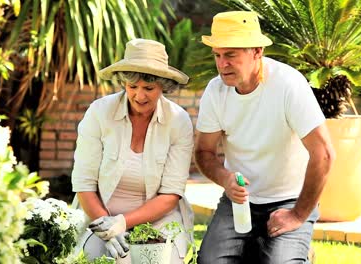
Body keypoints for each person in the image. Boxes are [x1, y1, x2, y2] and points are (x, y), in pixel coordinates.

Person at [195, 11, 335, 263]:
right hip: (238, 202)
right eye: (217, 55)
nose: (221, 64)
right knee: (209, 261)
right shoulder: (215, 91)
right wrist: (225, 179)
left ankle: (293, 250)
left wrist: (297, 215)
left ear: (257, 51)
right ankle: (256, 247)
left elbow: (323, 153)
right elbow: (204, 152)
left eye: (230, 55)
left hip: (289, 200)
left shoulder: (289, 85)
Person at [71, 38, 194, 263]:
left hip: (158, 219)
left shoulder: (178, 121)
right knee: (110, 259)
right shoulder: (99, 113)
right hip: (99, 216)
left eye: (149, 88)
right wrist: (107, 227)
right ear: (124, 84)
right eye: (132, 87)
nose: (139, 96)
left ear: (163, 86)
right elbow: (84, 184)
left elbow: (170, 194)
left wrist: (123, 223)